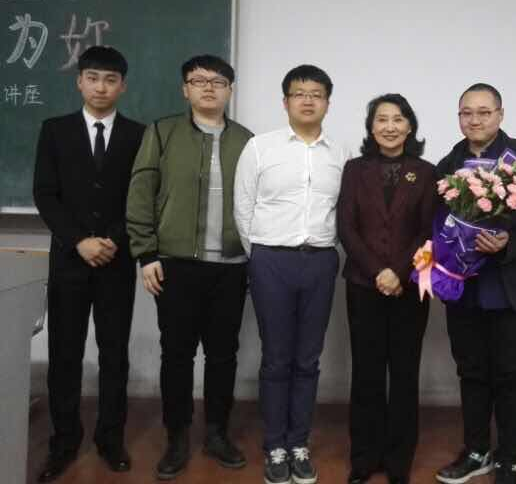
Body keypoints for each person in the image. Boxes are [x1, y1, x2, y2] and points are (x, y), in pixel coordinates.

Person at [126, 54, 253, 480]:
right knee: (177, 354)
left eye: (218, 81)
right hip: (176, 265)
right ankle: (176, 435)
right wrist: (146, 254)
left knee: (223, 355)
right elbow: (141, 193)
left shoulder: (247, 141)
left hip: (231, 266)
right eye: (199, 81)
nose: (208, 88)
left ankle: (217, 433)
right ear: (185, 89)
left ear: (229, 90)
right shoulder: (162, 133)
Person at [434, 83, 516, 484]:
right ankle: (476, 451)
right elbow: (437, 221)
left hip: (512, 283)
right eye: (466, 113)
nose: (475, 120)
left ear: (500, 115)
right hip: (466, 285)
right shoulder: (448, 163)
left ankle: (509, 457)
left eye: (484, 112)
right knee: (471, 371)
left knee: (510, 373)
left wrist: (509, 240)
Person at [32, 46, 145, 482]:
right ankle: (63, 442)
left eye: (110, 79)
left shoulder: (138, 135)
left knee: (114, 354)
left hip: (116, 260)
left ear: (123, 86)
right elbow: (45, 194)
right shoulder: (55, 130)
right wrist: (79, 240)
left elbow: (141, 197)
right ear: (79, 81)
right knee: (65, 355)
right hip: (69, 261)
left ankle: (110, 438)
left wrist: (113, 239)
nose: (101, 87)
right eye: (93, 78)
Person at [234, 64, 349, 484]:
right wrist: (261, 256)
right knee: (276, 357)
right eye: (299, 93)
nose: (307, 100)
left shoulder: (340, 154)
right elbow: (243, 208)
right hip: (271, 261)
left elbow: (345, 211)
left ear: (327, 103)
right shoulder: (260, 148)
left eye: (316, 94)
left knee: (307, 359)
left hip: (319, 261)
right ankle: (275, 446)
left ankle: (299, 443)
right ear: (285, 102)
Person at [337, 94, 437, 484]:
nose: (390, 126)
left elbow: (427, 230)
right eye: (381, 119)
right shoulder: (354, 169)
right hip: (364, 285)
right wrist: (378, 271)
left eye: (398, 119)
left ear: (410, 126)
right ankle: (364, 458)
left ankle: (399, 460)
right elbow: (347, 227)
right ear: (371, 126)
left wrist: (398, 272)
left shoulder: (426, 172)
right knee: (366, 373)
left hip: (409, 287)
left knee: (405, 373)